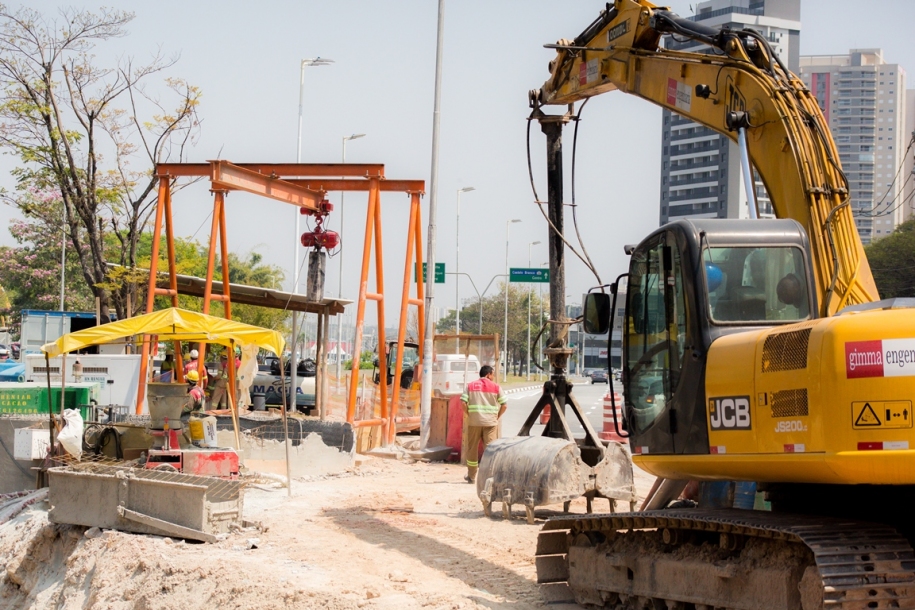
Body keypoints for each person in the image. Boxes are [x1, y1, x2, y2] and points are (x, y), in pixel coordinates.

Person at [460, 365, 507, 484]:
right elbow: (504, 405)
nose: (493, 377)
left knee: (472, 449)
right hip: (490, 423)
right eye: (493, 374)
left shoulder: (470, 386)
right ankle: (489, 476)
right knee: (490, 449)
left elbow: (463, 403)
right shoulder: (496, 387)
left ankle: (471, 476)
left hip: (474, 422)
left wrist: (468, 414)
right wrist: (497, 416)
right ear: (488, 374)